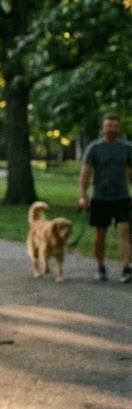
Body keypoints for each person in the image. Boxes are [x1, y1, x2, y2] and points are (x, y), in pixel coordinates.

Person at [78, 113, 132, 283]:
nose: (112, 129)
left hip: (122, 197)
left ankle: (126, 268)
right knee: (100, 233)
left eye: (115, 126)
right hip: (100, 197)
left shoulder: (127, 148)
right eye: (109, 125)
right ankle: (101, 267)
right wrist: (83, 196)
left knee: (125, 230)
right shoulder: (94, 148)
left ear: (119, 128)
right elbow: (85, 173)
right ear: (103, 127)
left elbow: (131, 172)